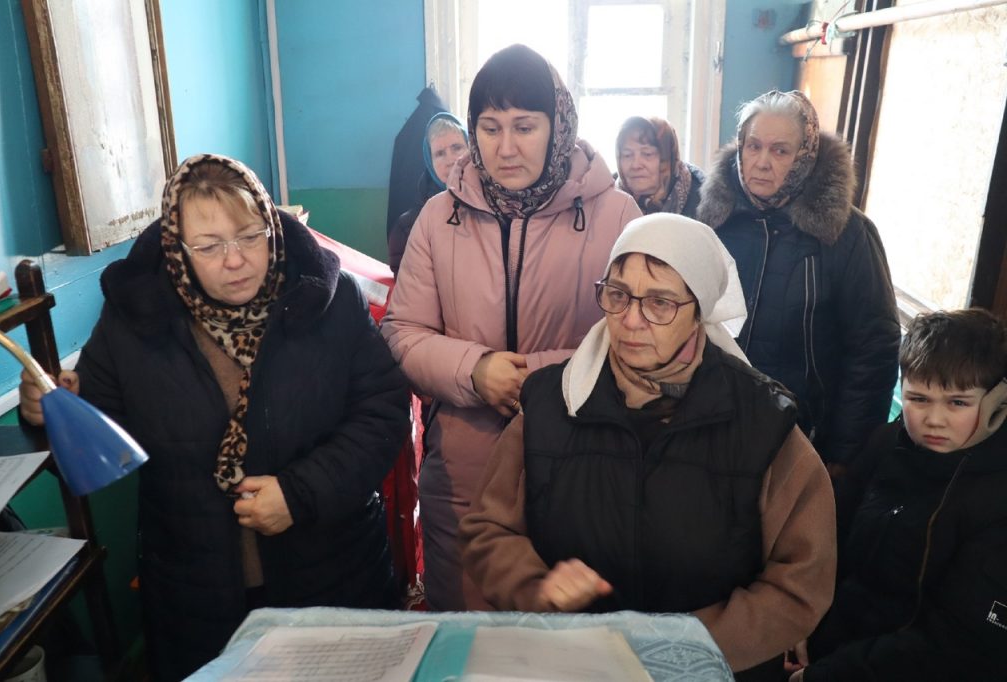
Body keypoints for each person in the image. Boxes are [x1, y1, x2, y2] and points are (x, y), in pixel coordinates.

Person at [18, 154, 408, 681]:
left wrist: (300, 494)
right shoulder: (134, 319)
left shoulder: (326, 300)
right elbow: (99, 430)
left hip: (333, 572)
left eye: (249, 237)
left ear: (272, 229)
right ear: (178, 248)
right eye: (208, 246)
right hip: (195, 594)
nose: (235, 260)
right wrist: (50, 409)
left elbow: (382, 410)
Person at [461, 213, 837, 681]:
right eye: (618, 294)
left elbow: (800, 582)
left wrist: (681, 650)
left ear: (699, 311)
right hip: (576, 666)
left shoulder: (763, 423)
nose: (631, 320)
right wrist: (536, 586)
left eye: (659, 302)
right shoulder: (550, 404)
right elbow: (488, 529)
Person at [381, 44, 642, 610]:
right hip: (464, 475)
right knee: (468, 636)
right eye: (490, 127)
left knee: (565, 635)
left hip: (583, 464)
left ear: (557, 126)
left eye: (524, 127)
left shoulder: (617, 216)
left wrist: (533, 379)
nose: (505, 148)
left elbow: (637, 344)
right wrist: (474, 370)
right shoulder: (438, 217)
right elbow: (402, 333)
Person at [787, 309, 1007, 682]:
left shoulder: (997, 498)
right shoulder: (887, 442)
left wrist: (824, 675)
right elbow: (827, 538)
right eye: (918, 399)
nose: (934, 419)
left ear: (996, 402)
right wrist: (800, 617)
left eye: (957, 402)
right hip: (837, 642)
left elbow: (958, 641)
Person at [698, 89, 900, 471]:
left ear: (806, 156)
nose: (761, 162)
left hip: (802, 438)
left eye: (780, 151)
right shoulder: (713, 222)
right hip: (710, 428)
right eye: (753, 146)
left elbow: (873, 351)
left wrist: (844, 456)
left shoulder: (847, 234)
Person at [388, 112, 469, 276]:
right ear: (430, 162)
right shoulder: (408, 227)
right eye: (439, 153)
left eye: (457, 148)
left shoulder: (499, 208)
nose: (450, 160)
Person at [616, 115, 704, 217]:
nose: (635, 165)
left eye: (647, 154)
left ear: (668, 158)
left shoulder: (704, 203)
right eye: (627, 155)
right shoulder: (608, 199)